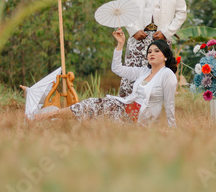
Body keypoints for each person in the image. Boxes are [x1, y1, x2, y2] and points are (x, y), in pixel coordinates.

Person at [34, 29, 178, 127]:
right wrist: (120, 44)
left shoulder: (167, 75)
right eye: (149, 51)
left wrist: (172, 129)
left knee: (95, 110)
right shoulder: (143, 72)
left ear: (165, 56)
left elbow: (170, 105)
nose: (151, 54)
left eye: (156, 51)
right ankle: (47, 118)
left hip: (140, 118)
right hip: (124, 108)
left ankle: (45, 118)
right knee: (92, 107)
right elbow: (117, 68)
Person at [118, 0, 187, 97]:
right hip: (138, 35)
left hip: (161, 38)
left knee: (159, 77)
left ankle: (156, 112)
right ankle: (127, 109)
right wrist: (133, 30)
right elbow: (124, 7)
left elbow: (181, 12)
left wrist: (167, 33)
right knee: (131, 76)